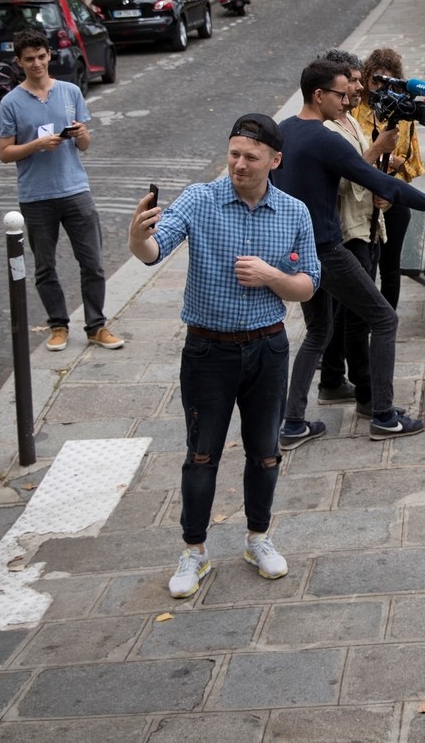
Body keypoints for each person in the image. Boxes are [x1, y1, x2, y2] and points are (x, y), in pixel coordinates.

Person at [128, 113, 319, 597]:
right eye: (234, 154)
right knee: (201, 454)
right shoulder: (200, 199)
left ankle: (258, 538)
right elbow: (154, 250)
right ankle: (194, 551)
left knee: (265, 453)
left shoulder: (295, 212)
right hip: (207, 350)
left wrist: (271, 277)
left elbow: (308, 286)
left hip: (268, 348)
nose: (238, 164)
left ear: (274, 161)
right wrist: (137, 235)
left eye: (250, 157)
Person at [274, 58, 425, 446]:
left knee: (317, 330)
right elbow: (384, 184)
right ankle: (383, 415)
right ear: (318, 95)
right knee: (384, 320)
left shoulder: (284, 131)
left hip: (295, 251)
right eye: (340, 93)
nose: (348, 99)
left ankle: (292, 423)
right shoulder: (324, 138)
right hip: (326, 251)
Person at [0, 31, 123, 352]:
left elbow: (85, 145)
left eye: (41, 56)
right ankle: (58, 325)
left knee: (92, 262)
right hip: (35, 196)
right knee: (45, 267)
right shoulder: (10, 102)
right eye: (29, 59)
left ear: (49, 55)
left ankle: (96, 325)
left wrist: (81, 133)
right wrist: (37, 144)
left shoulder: (69, 92)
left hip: (75, 189)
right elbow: (4, 153)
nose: (36, 63)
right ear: (19, 62)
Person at [314, 50, 399, 411]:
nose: (359, 86)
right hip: (348, 230)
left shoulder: (350, 120)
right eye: (353, 79)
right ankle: (369, 396)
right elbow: (344, 173)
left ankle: (332, 379)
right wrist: (378, 149)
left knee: (342, 313)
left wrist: (384, 185)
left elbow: (364, 172)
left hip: (367, 225)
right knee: (364, 316)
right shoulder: (325, 128)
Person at [349, 47, 425, 310]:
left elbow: (412, 164)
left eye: (388, 81)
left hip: (393, 200)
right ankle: (363, 325)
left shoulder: (402, 113)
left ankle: (386, 324)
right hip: (359, 200)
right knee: (364, 268)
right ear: (367, 77)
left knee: (390, 268)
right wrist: (377, 151)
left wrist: (395, 166)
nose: (381, 87)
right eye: (376, 80)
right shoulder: (353, 109)